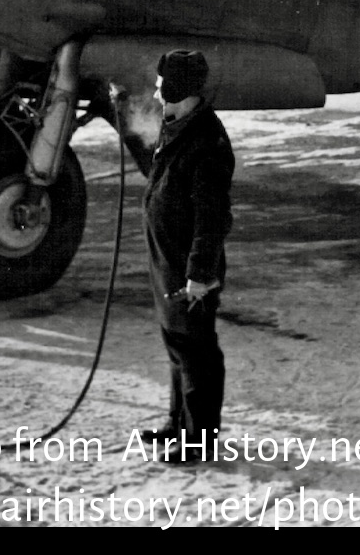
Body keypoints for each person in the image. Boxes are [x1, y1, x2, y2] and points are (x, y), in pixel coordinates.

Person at [142, 49, 234, 465]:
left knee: (196, 352)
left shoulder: (207, 141)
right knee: (176, 346)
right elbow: (156, 169)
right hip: (168, 261)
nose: (159, 91)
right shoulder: (176, 126)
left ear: (179, 87)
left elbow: (212, 218)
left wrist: (200, 274)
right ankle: (178, 424)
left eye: (163, 84)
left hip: (189, 269)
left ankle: (199, 441)